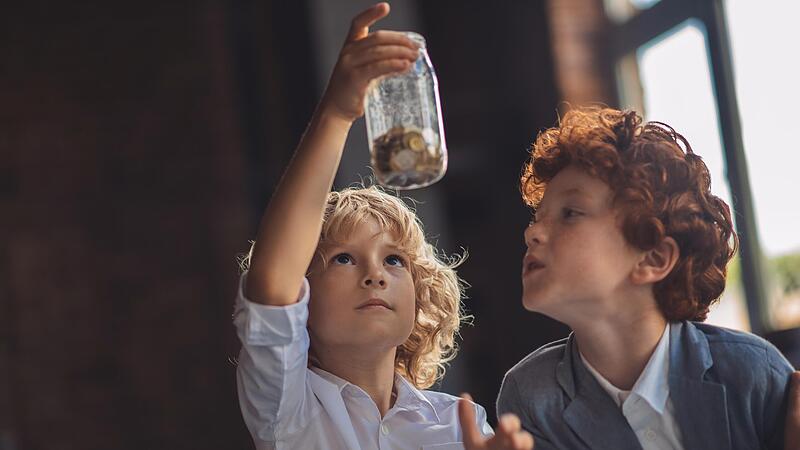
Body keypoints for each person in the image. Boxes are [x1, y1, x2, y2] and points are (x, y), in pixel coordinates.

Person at [233, 3, 532, 449]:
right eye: (342, 258)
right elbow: (271, 288)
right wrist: (337, 111)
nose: (374, 274)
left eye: (394, 260)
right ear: (302, 297)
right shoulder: (288, 409)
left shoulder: (460, 423)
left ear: (419, 295)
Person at [495, 106, 795, 449]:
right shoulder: (530, 395)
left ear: (653, 258)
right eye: (537, 217)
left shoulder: (754, 373)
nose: (532, 232)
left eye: (570, 213)